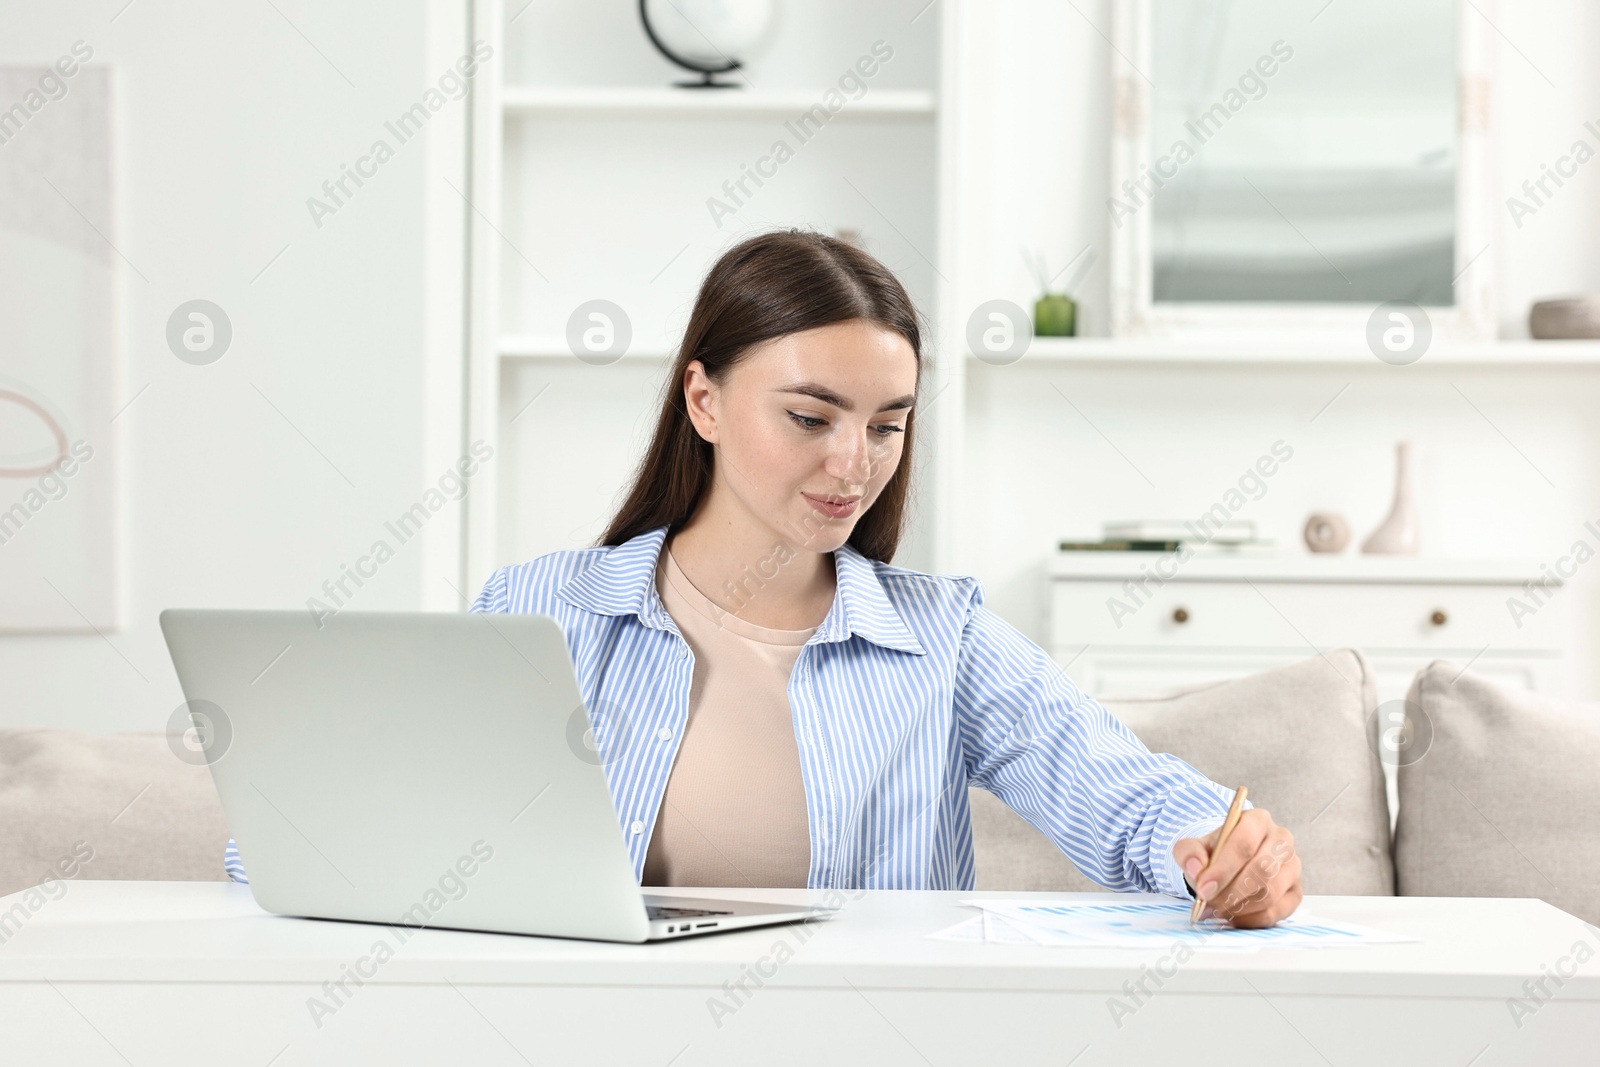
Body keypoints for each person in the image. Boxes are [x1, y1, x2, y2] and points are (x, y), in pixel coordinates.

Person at [226, 229, 1301, 927]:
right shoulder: (542, 609)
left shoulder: (940, 637)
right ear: (703, 400)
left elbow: (1110, 777)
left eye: (886, 423)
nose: (855, 462)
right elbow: (312, 833)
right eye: (808, 416)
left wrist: (1217, 839)